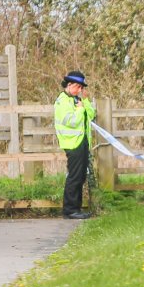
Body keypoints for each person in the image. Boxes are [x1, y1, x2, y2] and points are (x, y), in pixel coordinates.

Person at [54, 70, 95, 219]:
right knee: (74, 176)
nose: (80, 90)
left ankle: (76, 209)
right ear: (69, 85)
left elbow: (91, 115)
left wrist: (85, 102)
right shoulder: (62, 101)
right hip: (72, 144)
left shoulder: (76, 100)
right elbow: (71, 122)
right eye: (78, 87)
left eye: (82, 88)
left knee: (81, 176)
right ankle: (70, 210)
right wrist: (79, 110)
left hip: (82, 142)